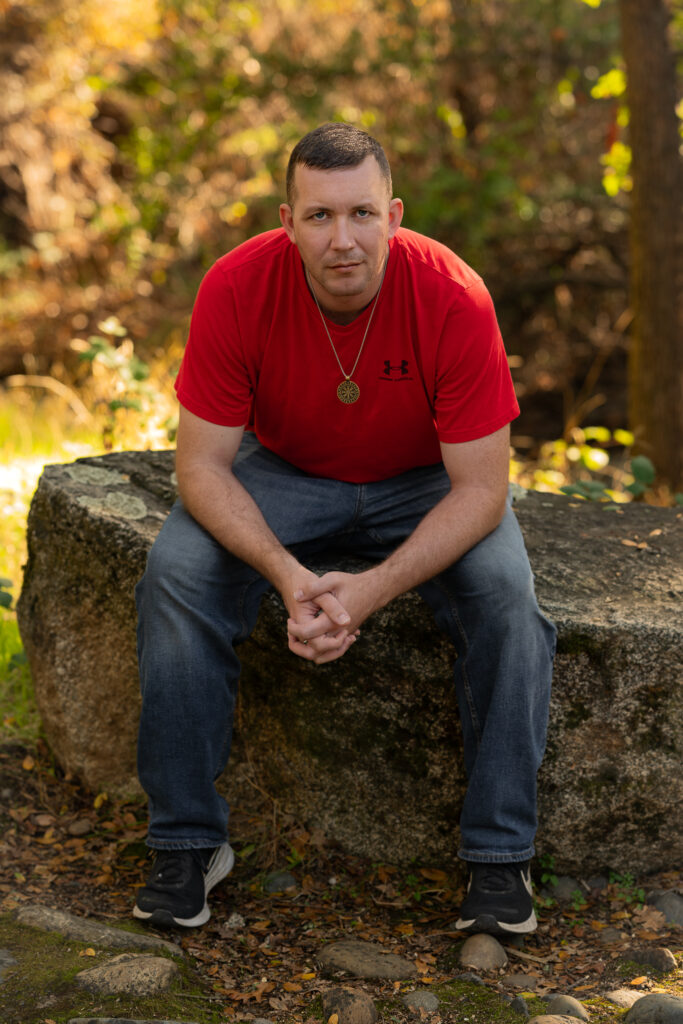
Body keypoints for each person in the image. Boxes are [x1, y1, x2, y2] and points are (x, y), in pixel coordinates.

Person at [133, 122, 556, 934]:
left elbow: (481, 490)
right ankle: (186, 844)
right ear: (285, 221)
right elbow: (203, 468)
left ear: (393, 216)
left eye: (361, 214)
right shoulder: (235, 285)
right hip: (284, 474)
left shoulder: (453, 293)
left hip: (424, 482)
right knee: (178, 572)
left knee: (506, 596)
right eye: (320, 217)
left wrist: (366, 592)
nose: (342, 240)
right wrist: (287, 574)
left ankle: (501, 862)